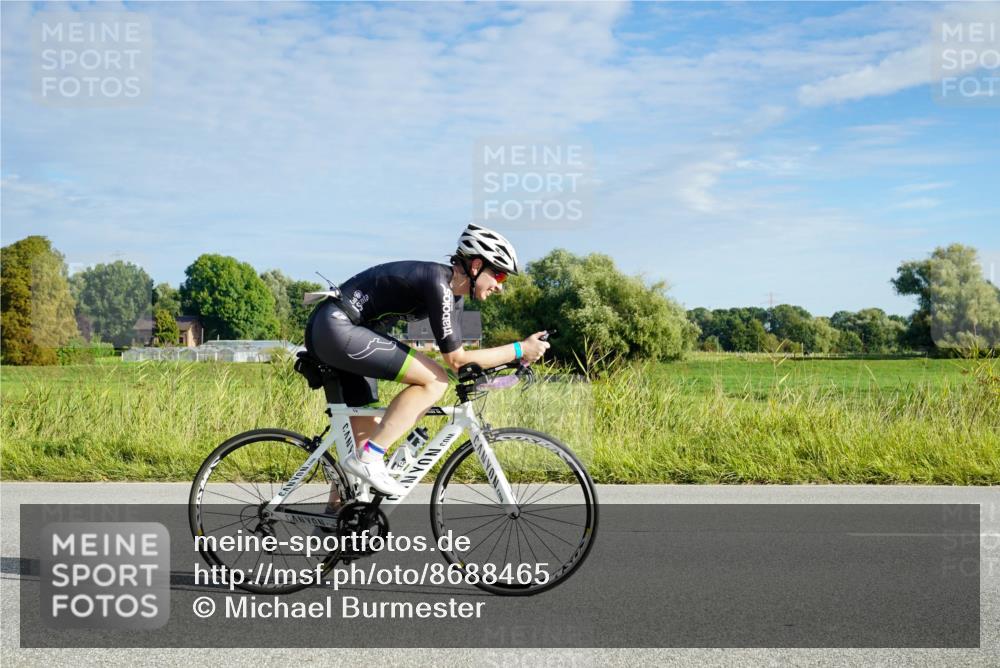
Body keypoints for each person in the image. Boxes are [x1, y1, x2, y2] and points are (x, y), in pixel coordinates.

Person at [304, 223, 550, 497]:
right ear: (477, 265)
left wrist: (510, 366)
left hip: (342, 332)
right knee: (435, 381)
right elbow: (456, 361)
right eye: (500, 276)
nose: (499, 287)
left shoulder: (453, 298)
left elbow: (464, 361)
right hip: (337, 329)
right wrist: (519, 349)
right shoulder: (439, 283)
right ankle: (369, 459)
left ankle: (337, 517)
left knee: (364, 441)